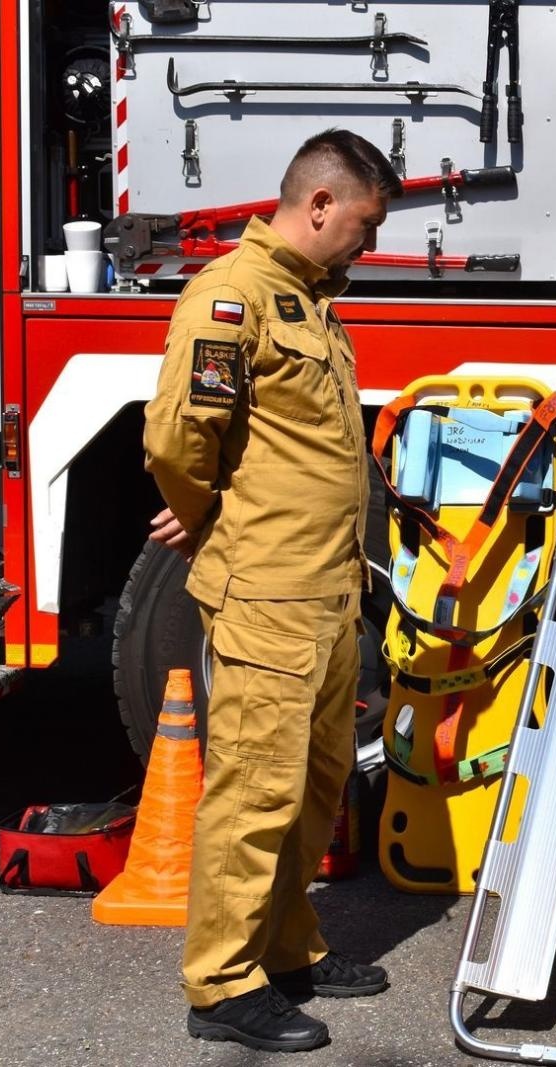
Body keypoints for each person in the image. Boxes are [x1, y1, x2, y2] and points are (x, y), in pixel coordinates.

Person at [143, 129, 400, 1053]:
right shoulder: (232, 298)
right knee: (254, 792)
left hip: (324, 593)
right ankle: (222, 981)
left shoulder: (308, 297)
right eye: (365, 224)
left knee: (312, 784)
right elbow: (179, 441)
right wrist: (210, 515)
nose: (370, 245)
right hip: (268, 593)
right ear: (320, 203)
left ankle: (287, 946)